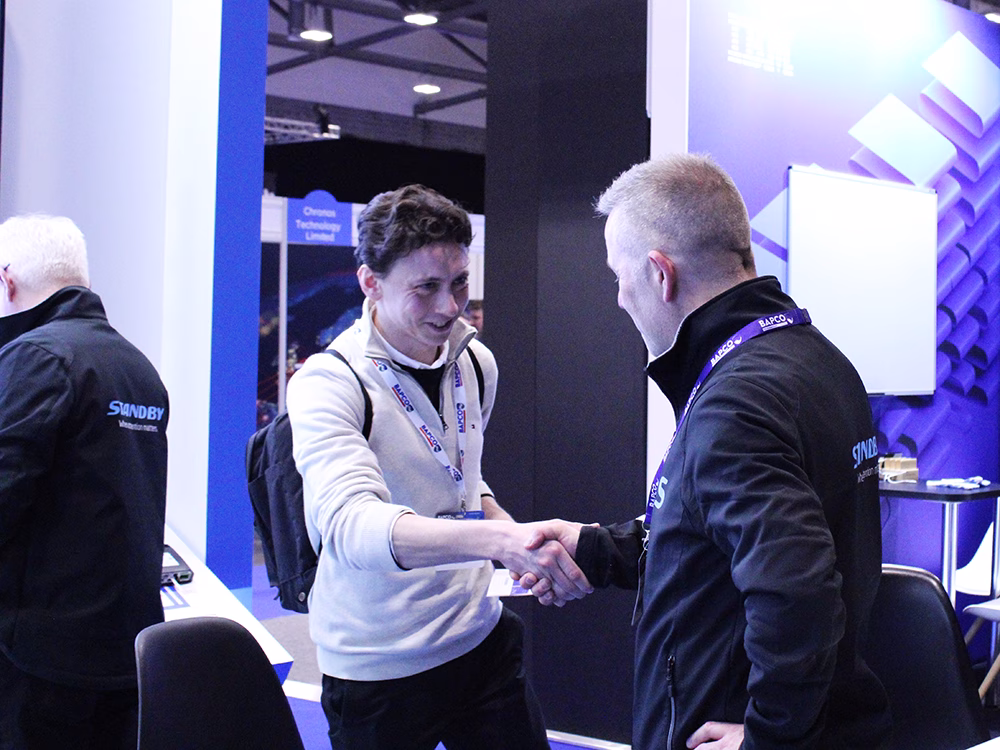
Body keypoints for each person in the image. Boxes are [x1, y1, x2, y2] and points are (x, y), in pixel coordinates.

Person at [520, 154, 892, 749]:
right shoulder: (817, 359)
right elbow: (713, 533)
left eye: (619, 275)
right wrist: (595, 549)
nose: (619, 298)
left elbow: (797, 591)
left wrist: (768, 740)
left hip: (722, 721)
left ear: (659, 274)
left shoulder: (735, 402)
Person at [285, 184, 590, 750]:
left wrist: (522, 538)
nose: (449, 308)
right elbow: (353, 528)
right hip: (378, 665)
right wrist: (500, 541)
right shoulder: (328, 383)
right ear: (370, 283)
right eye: (425, 288)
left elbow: (460, 480)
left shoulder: (476, 362)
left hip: (479, 637)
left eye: (459, 284)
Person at [0, 215, 169, 749]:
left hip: (39, 660)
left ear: (6, 281)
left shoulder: (35, 356)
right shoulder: (137, 366)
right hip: (126, 650)